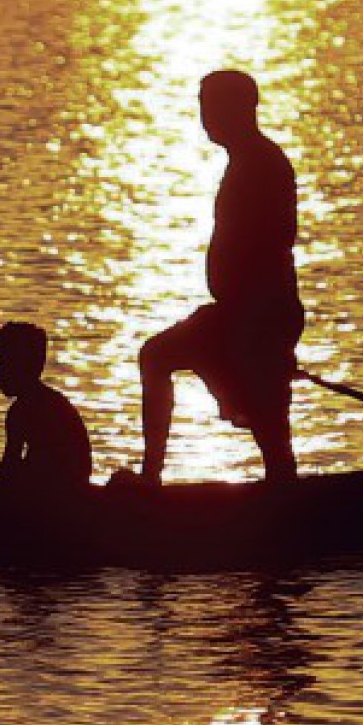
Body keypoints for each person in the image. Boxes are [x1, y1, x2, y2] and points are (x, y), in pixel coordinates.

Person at [138, 69, 304, 484]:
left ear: (242, 109)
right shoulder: (244, 162)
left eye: (211, 107)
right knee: (157, 357)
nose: (205, 117)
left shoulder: (264, 164)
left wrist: (249, 320)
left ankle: (282, 493)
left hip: (260, 315)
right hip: (238, 312)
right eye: (202, 107)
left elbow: (277, 241)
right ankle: (153, 475)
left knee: (266, 415)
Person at [0, 320, 93, 491]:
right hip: (66, 485)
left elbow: (9, 469)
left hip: (57, 492)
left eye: (4, 365)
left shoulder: (23, 411)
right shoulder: (51, 401)